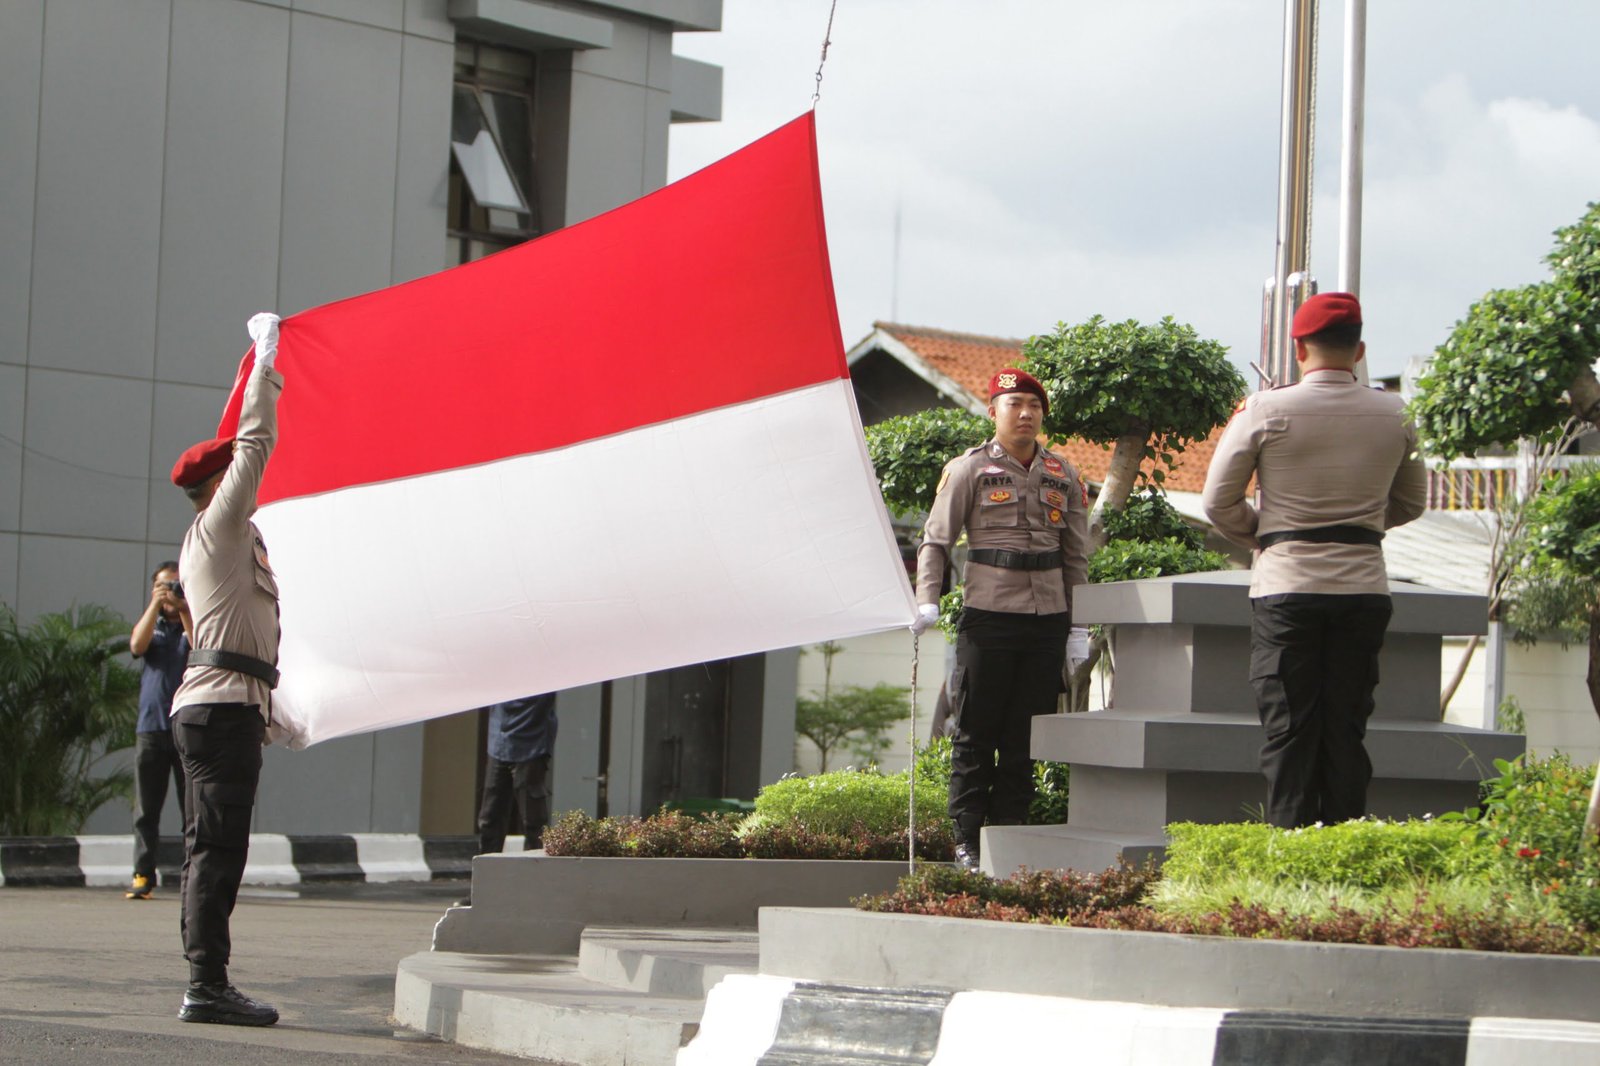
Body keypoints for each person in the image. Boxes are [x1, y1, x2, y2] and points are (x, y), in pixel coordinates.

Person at [1201, 292, 1427, 830]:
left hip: (1286, 588)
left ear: (1299, 348)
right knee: (1346, 728)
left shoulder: (1265, 409)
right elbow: (1412, 502)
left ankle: (1290, 849)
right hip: (1363, 589)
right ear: (1360, 350)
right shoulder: (1397, 412)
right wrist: (1359, 529)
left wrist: (1269, 535)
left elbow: (1216, 502)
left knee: (1289, 730)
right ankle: (1344, 847)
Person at [911, 368, 1090, 869]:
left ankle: (1009, 838)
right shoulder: (969, 469)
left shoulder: (1063, 473)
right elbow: (936, 540)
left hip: (1047, 619)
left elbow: (1076, 556)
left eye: (1034, 406)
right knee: (976, 732)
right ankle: (966, 840)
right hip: (989, 615)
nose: (1026, 413)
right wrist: (928, 598)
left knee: (1025, 738)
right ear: (994, 412)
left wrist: (1078, 626)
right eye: (1015, 404)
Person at [167, 312, 286, 1027]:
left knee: (215, 847)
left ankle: (206, 980)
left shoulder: (228, 537)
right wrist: (264, 361)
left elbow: (248, 636)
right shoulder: (218, 526)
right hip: (217, 714)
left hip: (228, 709)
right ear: (219, 486)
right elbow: (255, 442)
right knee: (215, 849)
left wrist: (271, 710)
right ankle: (206, 986)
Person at [126, 562, 193, 900]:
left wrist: (184, 608)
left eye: (176, 585)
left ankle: (192, 877)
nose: (171, 592)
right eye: (165, 586)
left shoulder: (191, 623)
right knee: (146, 810)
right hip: (151, 728)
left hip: (186, 729)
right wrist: (155, 604)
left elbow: (201, 646)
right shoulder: (152, 627)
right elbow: (136, 646)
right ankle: (142, 874)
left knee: (191, 810)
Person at [476, 693, 558, 856]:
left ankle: (535, 867)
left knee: (532, 819)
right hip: (499, 743)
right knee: (490, 816)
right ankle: (487, 867)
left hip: (531, 744)